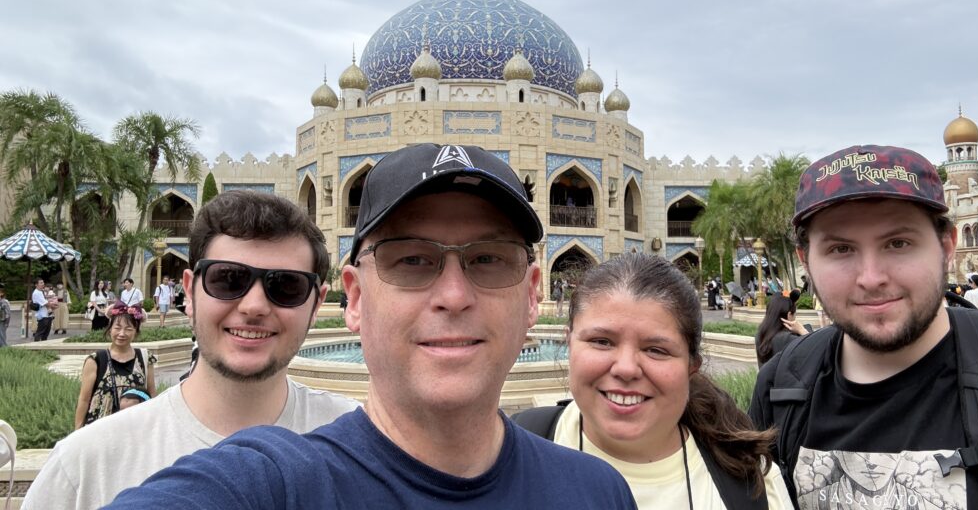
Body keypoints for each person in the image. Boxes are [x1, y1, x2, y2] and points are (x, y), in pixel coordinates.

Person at [106, 143, 633, 508]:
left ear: (532, 296)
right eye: (412, 260)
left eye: (489, 259)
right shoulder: (276, 484)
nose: (453, 296)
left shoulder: (598, 493)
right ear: (354, 298)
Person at [24, 191, 361, 509]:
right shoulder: (86, 467)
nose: (254, 306)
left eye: (287, 286)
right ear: (190, 292)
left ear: (317, 303)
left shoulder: (358, 446)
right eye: (227, 279)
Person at [748, 145, 978, 508]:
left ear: (947, 246)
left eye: (898, 243)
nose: (872, 278)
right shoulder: (780, 387)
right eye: (840, 249)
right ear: (806, 260)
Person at [515, 253, 792, 509]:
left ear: (691, 365)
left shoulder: (751, 484)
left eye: (655, 350)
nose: (626, 369)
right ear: (569, 343)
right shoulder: (511, 456)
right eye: (601, 342)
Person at [74, 301, 157, 429]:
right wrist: (77, 431)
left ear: (136, 332)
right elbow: (84, 399)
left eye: (128, 329)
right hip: (101, 430)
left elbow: (152, 395)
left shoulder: (144, 358)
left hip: (135, 429)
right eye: (117, 328)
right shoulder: (96, 360)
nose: (122, 333)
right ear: (110, 329)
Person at [755, 289, 804, 367]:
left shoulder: (761, 334)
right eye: (794, 314)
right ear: (789, 315)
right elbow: (817, 354)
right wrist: (803, 331)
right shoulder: (789, 339)